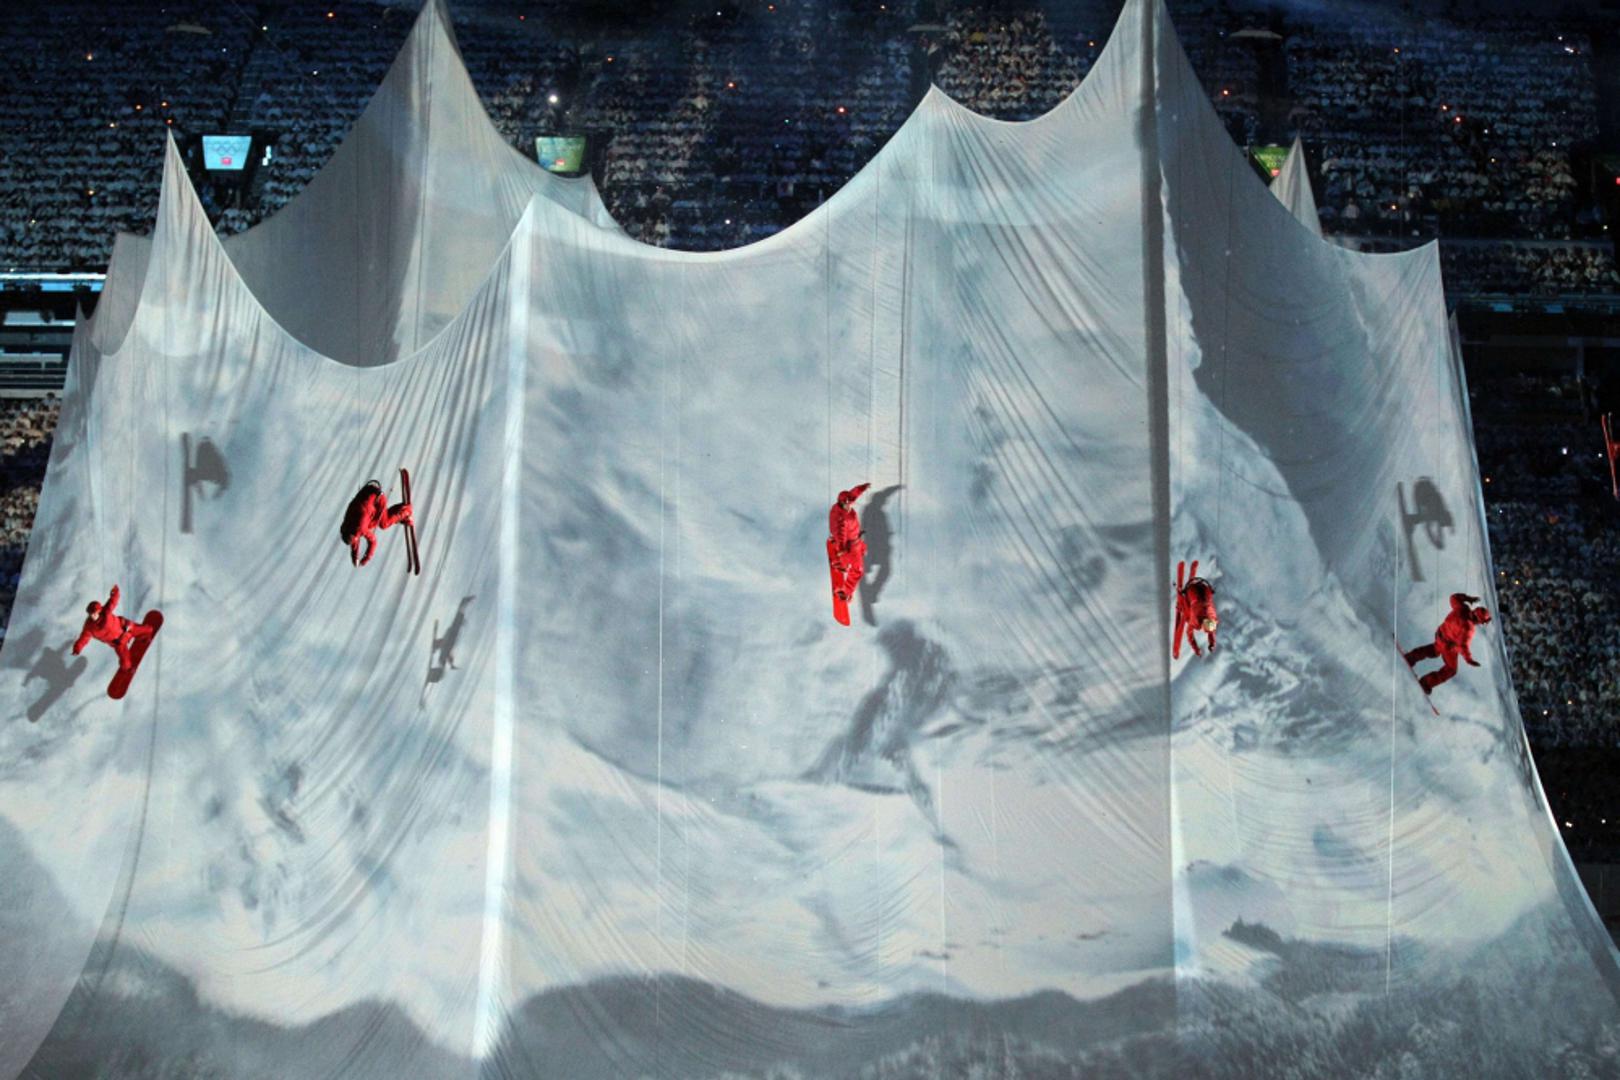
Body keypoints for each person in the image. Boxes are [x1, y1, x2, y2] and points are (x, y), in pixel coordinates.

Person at [1404, 592, 1492, 695]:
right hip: (1447, 645)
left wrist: (1468, 598)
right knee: (1451, 669)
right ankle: (1426, 683)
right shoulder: (1468, 629)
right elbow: (1463, 646)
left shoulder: (1463, 608)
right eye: (1482, 622)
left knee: (1434, 650)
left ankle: (1410, 657)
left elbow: (1453, 597)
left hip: (1440, 634)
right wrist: (1469, 659)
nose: (1480, 624)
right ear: (1479, 620)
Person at [72, 585, 154, 672]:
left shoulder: (106, 612)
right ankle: (128, 668)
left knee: (146, 630)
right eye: (90, 614)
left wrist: (115, 592)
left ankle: (144, 637)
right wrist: (77, 648)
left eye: (94, 613)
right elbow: (83, 638)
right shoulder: (89, 627)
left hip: (125, 628)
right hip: (118, 642)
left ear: (99, 611)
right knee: (125, 660)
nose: (93, 616)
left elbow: (113, 602)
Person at [340, 479, 413, 566]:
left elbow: (373, 542)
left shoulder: (360, 528)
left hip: (377, 498)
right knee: (377, 521)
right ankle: (399, 512)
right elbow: (355, 540)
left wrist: (366, 559)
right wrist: (355, 558)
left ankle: (406, 512)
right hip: (369, 495)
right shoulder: (347, 526)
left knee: (384, 524)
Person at [828, 483, 870, 602]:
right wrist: (841, 549)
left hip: (856, 541)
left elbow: (853, 494)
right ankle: (844, 592)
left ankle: (841, 564)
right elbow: (839, 532)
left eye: (849, 503)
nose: (848, 505)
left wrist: (862, 488)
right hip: (850, 546)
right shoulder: (841, 517)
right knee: (857, 570)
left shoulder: (843, 505)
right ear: (841, 503)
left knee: (863, 550)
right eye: (846, 504)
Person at [1175, 572, 1219, 657]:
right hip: (1192, 590)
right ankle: (1181, 603)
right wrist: (1196, 649)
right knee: (1187, 616)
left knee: (1193, 609)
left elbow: (1211, 631)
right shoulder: (1195, 620)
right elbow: (1190, 635)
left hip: (1203, 588)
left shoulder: (1212, 618)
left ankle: (1183, 599)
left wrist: (1212, 643)